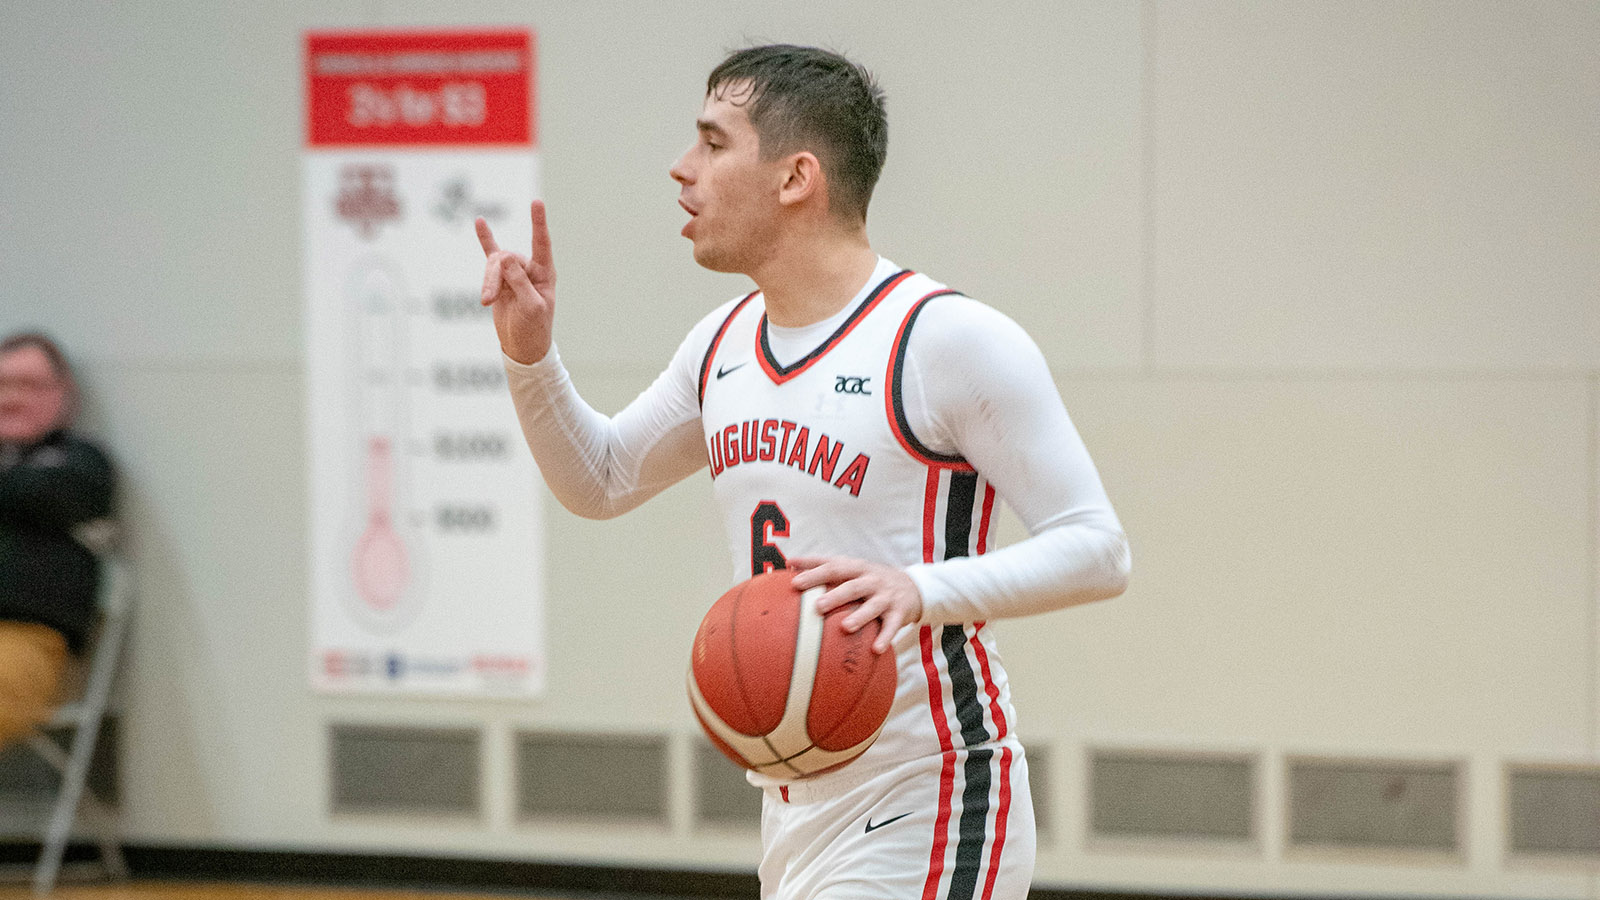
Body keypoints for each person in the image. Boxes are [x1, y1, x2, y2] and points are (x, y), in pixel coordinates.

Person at [476, 45, 1130, 899]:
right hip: (792, 806)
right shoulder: (719, 345)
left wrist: (917, 589)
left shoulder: (944, 341)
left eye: (712, 144)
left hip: (930, 792)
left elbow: (1098, 549)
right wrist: (530, 358)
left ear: (796, 178)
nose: (682, 168)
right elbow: (599, 480)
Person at [0, 332, 116, 750]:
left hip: (22, 639)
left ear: (63, 395)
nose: (10, 398)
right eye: (2, 385)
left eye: (27, 385)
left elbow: (50, 495)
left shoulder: (81, 460)